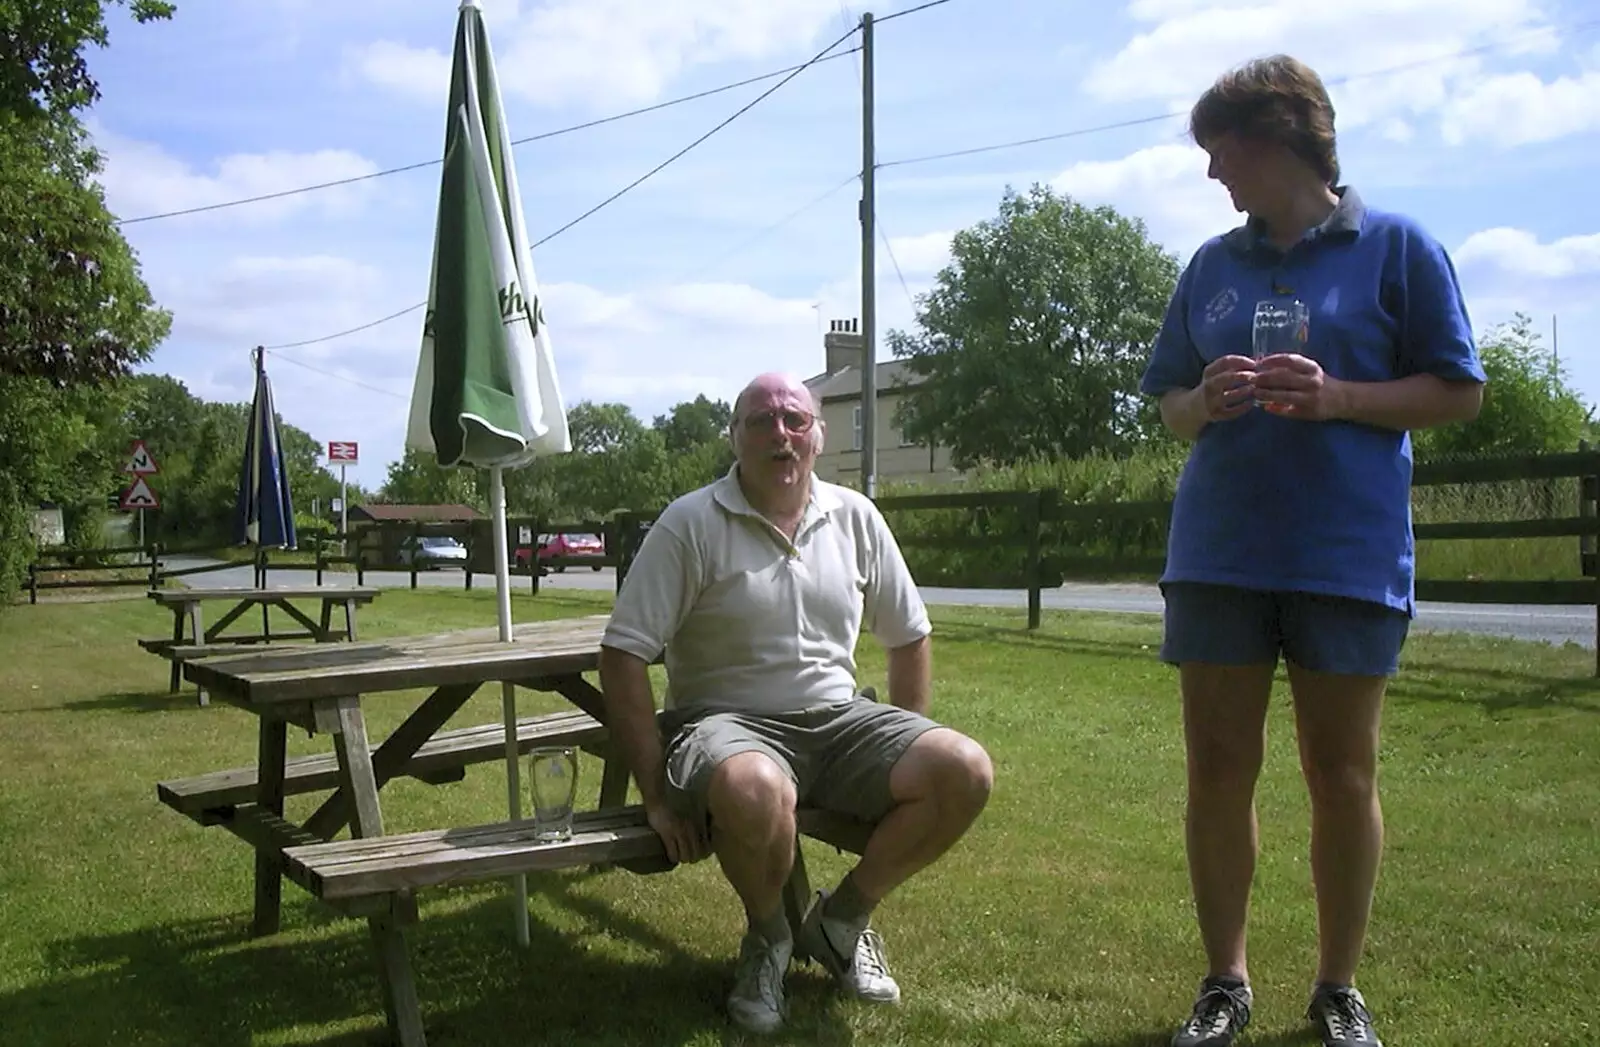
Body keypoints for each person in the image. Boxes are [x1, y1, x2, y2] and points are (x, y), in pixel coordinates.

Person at [1139, 55, 1487, 1047]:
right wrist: (1200, 402)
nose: (1212, 176)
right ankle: (1224, 983)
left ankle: (1337, 989)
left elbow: (1458, 392)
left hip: (1346, 557)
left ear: (1276, 138)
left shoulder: (1398, 250)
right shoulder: (1210, 267)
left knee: (1341, 776)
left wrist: (1336, 397)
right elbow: (1169, 403)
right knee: (1216, 770)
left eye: (1221, 152)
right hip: (1218, 554)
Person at [597, 371, 994, 1035]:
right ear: (735, 438)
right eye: (761, 421)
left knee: (965, 768)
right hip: (723, 723)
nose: (780, 434)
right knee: (754, 787)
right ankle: (769, 938)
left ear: (817, 436)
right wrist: (656, 796)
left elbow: (909, 635)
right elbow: (623, 653)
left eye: (794, 420)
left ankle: (841, 919)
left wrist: (904, 735)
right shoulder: (690, 522)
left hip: (840, 721)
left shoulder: (856, 516)